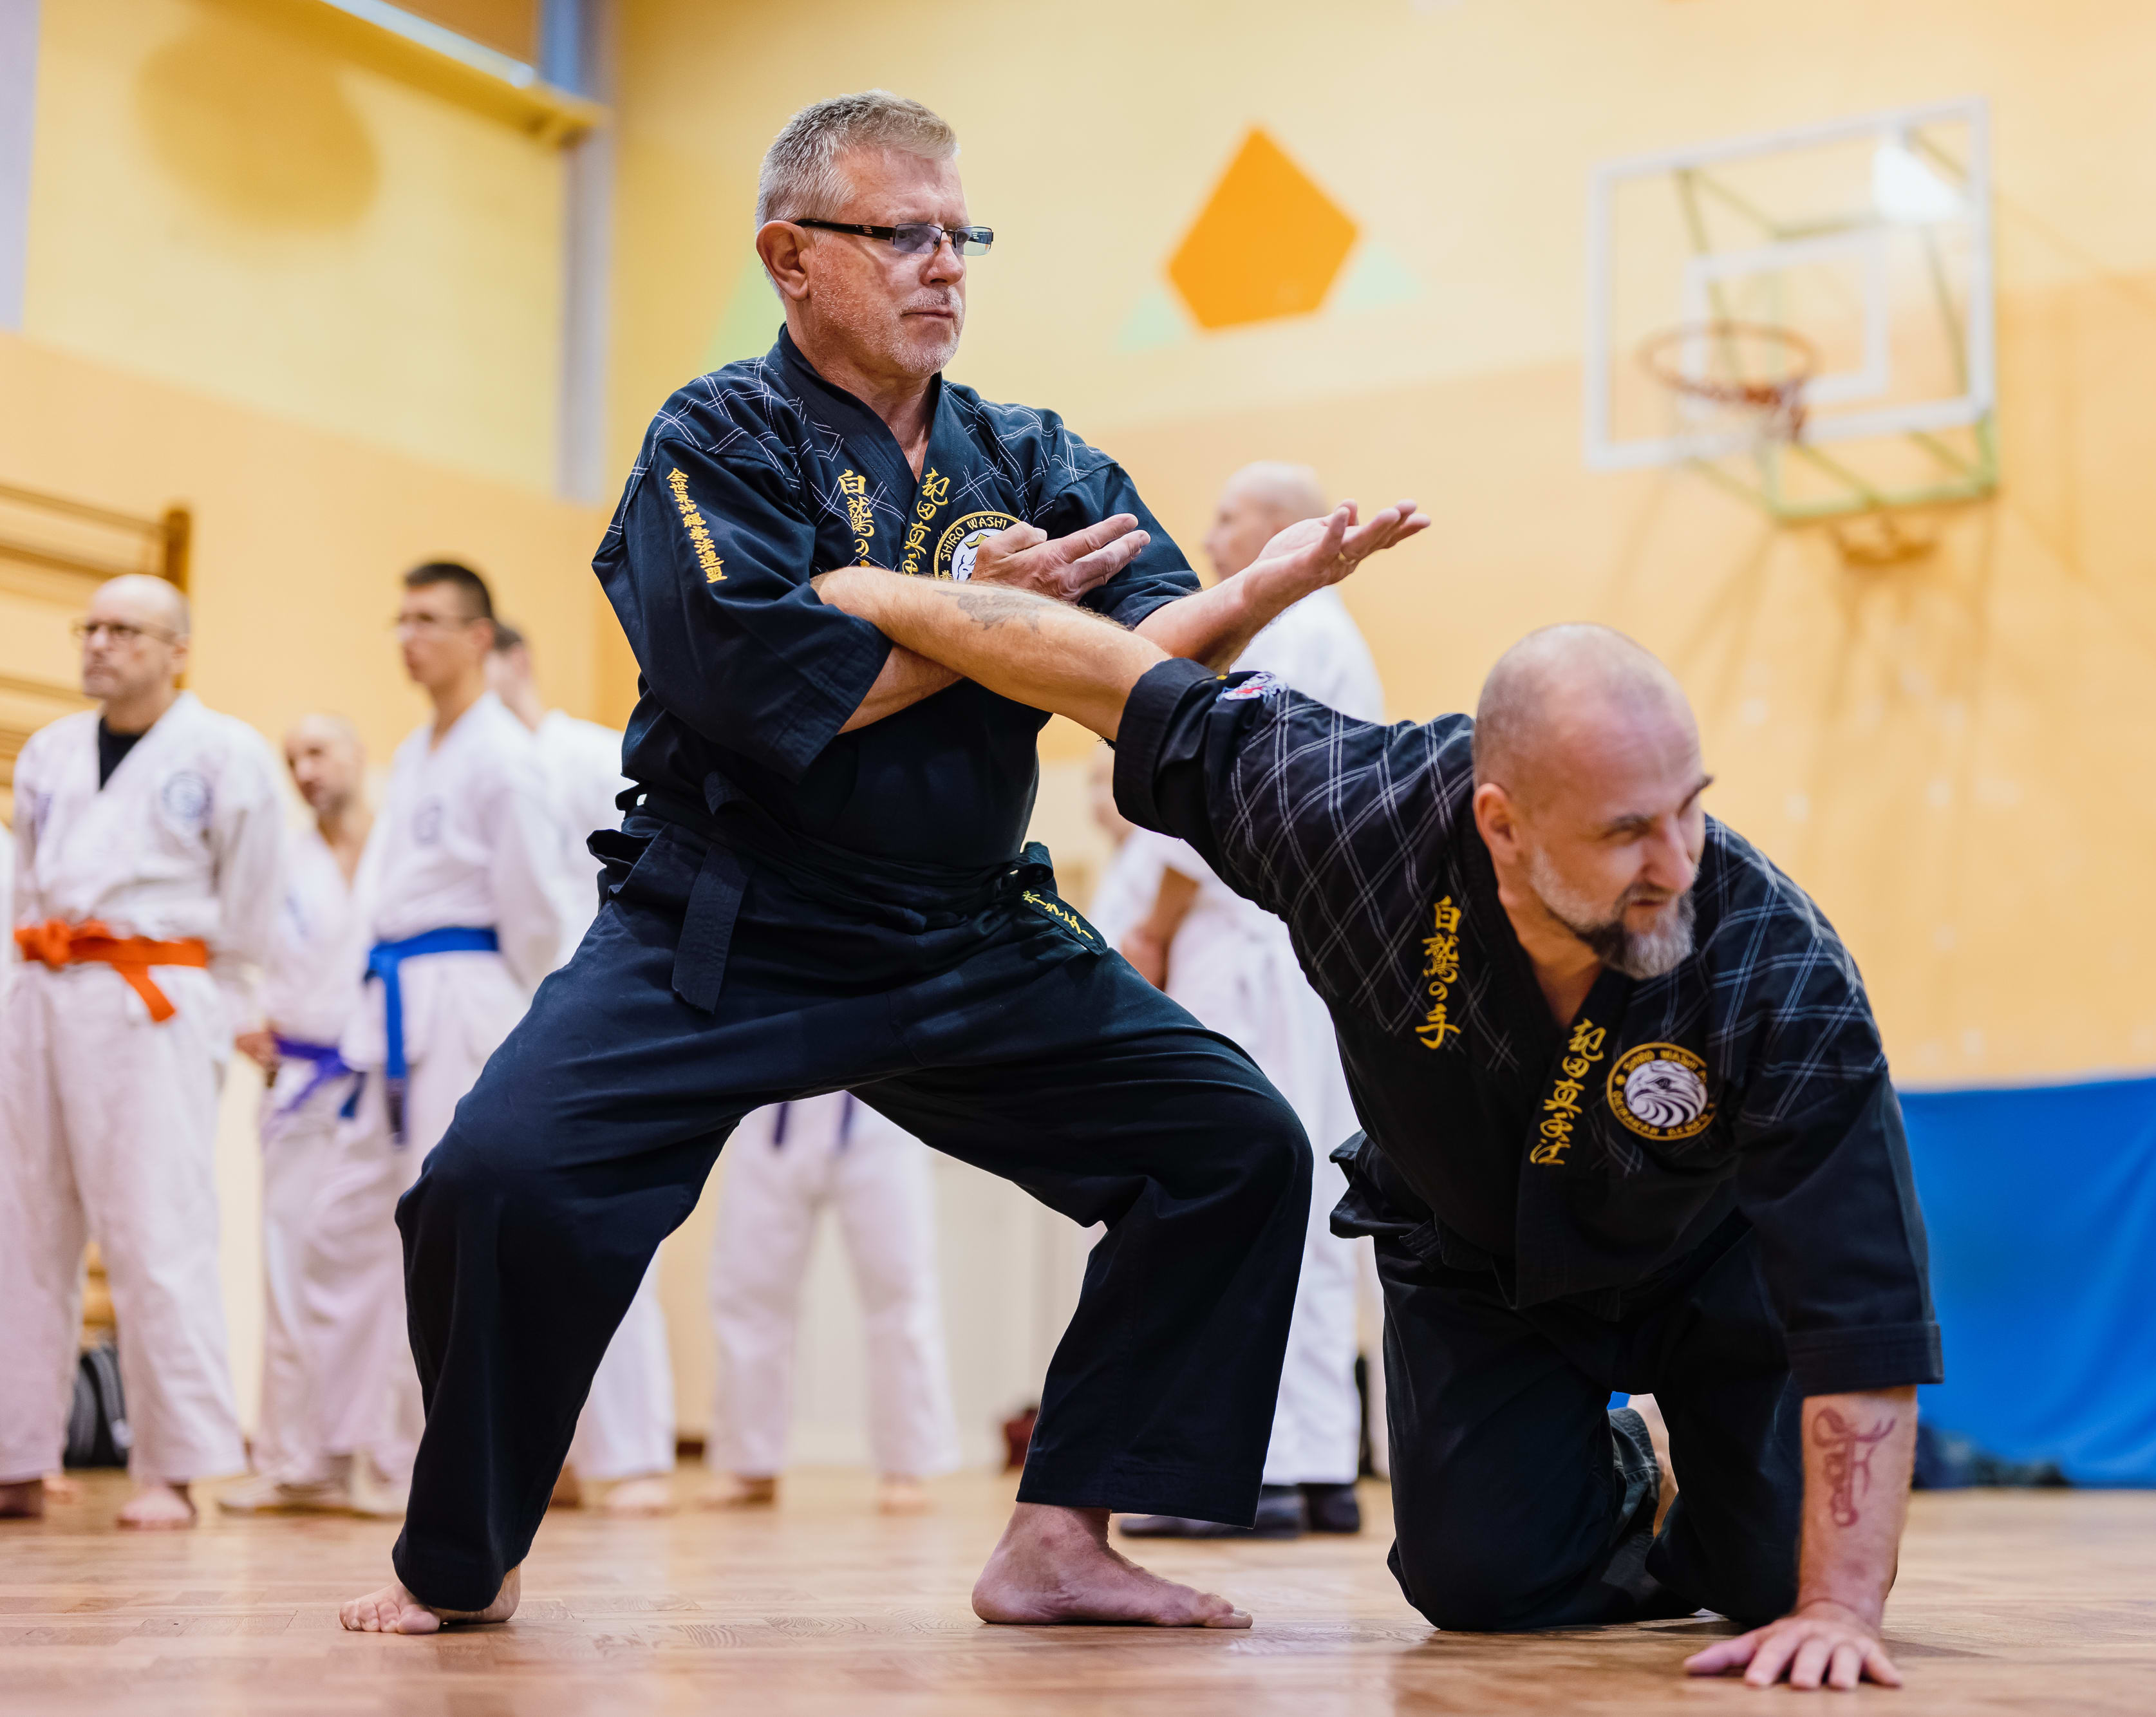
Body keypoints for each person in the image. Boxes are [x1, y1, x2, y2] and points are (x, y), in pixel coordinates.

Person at [339, 89, 1427, 1636]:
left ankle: (1059, 1536)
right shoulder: (717, 436)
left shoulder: (1029, 452)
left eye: (958, 234)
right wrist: (988, 632)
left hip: (966, 933)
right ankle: (461, 1556)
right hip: (724, 920)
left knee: (1235, 1145)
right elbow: (764, 677)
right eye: (900, 234)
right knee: (495, 1184)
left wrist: (1244, 594)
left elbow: (1128, 661)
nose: (943, 266)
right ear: (792, 257)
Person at [804, 572, 1943, 1693]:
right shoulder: (1349, 815)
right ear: (1501, 823)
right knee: (1483, 1588)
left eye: (1692, 806)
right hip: (1472, 1256)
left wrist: (1840, 1601)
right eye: (1627, 831)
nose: (1678, 863)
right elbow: (1112, 673)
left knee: (1780, 1577)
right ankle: (1621, 1475)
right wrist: (880, 595)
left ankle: (1731, 1522)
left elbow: (1864, 1303)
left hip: (1707, 1260)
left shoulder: (1776, 966)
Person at [1116, 462, 1382, 1541]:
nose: (1210, 531)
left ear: (1278, 528)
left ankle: (1253, 1467)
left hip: (1245, 948)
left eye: (1226, 514)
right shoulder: (1339, 638)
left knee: (1239, 1190)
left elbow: (1212, 794)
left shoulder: (1282, 628)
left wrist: (1148, 926)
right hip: (1314, 952)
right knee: (1313, 1198)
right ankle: (1316, 1459)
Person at [0, 574, 284, 1528]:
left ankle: (173, 1464)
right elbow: (32, 886)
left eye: (126, 629)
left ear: (177, 650)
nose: (99, 644)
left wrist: (231, 1001)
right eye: (92, 626)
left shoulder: (227, 752)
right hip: (44, 990)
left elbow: (251, 899)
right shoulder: (47, 752)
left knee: (158, 1228)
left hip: (154, 999)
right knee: (23, 1226)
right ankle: (18, 1455)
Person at [305, 562, 563, 1517]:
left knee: (440, 1229)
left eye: (429, 619)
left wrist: (524, 1016)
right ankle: (336, 1445)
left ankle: (421, 1453)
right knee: (345, 1218)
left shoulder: (505, 755)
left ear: (478, 638)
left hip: (468, 994)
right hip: (393, 998)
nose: (409, 636)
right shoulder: (416, 750)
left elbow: (539, 908)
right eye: (400, 617)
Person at [489, 622, 679, 1517]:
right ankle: (542, 1452)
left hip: (596, 997)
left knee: (604, 1222)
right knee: (500, 1229)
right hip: (496, 1006)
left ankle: (631, 1451)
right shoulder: (460, 762)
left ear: (510, 655)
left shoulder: (589, 752)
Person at [221, 715, 375, 1515]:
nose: (305, 770)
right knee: (287, 1269)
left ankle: (383, 1458)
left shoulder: (402, 850)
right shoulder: (280, 856)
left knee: (383, 1275)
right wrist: (244, 1018)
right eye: (293, 760)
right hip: (302, 1079)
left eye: (318, 751)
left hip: (389, 1082)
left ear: (359, 750)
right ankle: (290, 1461)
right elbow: (233, 946)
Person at [704, 1093, 962, 1514]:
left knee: (899, 1283)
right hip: (773, 1099)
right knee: (748, 1283)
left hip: (880, 1099)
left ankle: (907, 1464)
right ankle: (749, 1462)